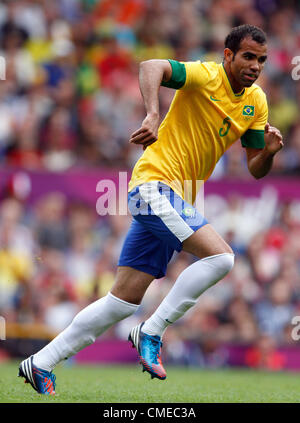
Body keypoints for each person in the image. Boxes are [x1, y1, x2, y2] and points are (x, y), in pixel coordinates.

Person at [18, 24, 283, 395]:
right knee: (222, 259)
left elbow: (256, 168)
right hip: (153, 186)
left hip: (178, 197)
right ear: (228, 56)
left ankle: (40, 363)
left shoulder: (258, 101)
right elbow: (151, 66)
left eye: (261, 59)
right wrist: (152, 114)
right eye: (248, 57)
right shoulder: (206, 75)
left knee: (120, 302)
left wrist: (269, 152)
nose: (255, 65)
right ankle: (153, 330)